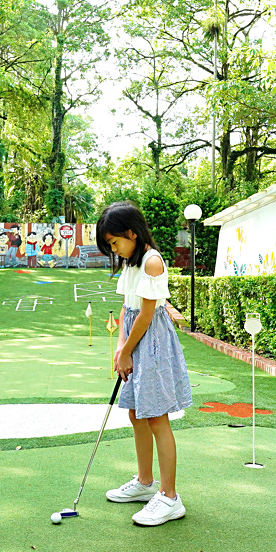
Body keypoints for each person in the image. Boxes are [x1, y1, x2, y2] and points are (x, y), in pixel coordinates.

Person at [96, 201, 192, 526]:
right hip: (134, 341)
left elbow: (147, 315)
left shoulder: (152, 262)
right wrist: (120, 348)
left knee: (156, 418)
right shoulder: (132, 262)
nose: (114, 249)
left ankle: (169, 497)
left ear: (131, 233)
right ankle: (145, 482)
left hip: (151, 343)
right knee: (137, 413)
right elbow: (127, 309)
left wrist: (128, 350)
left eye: (114, 242)